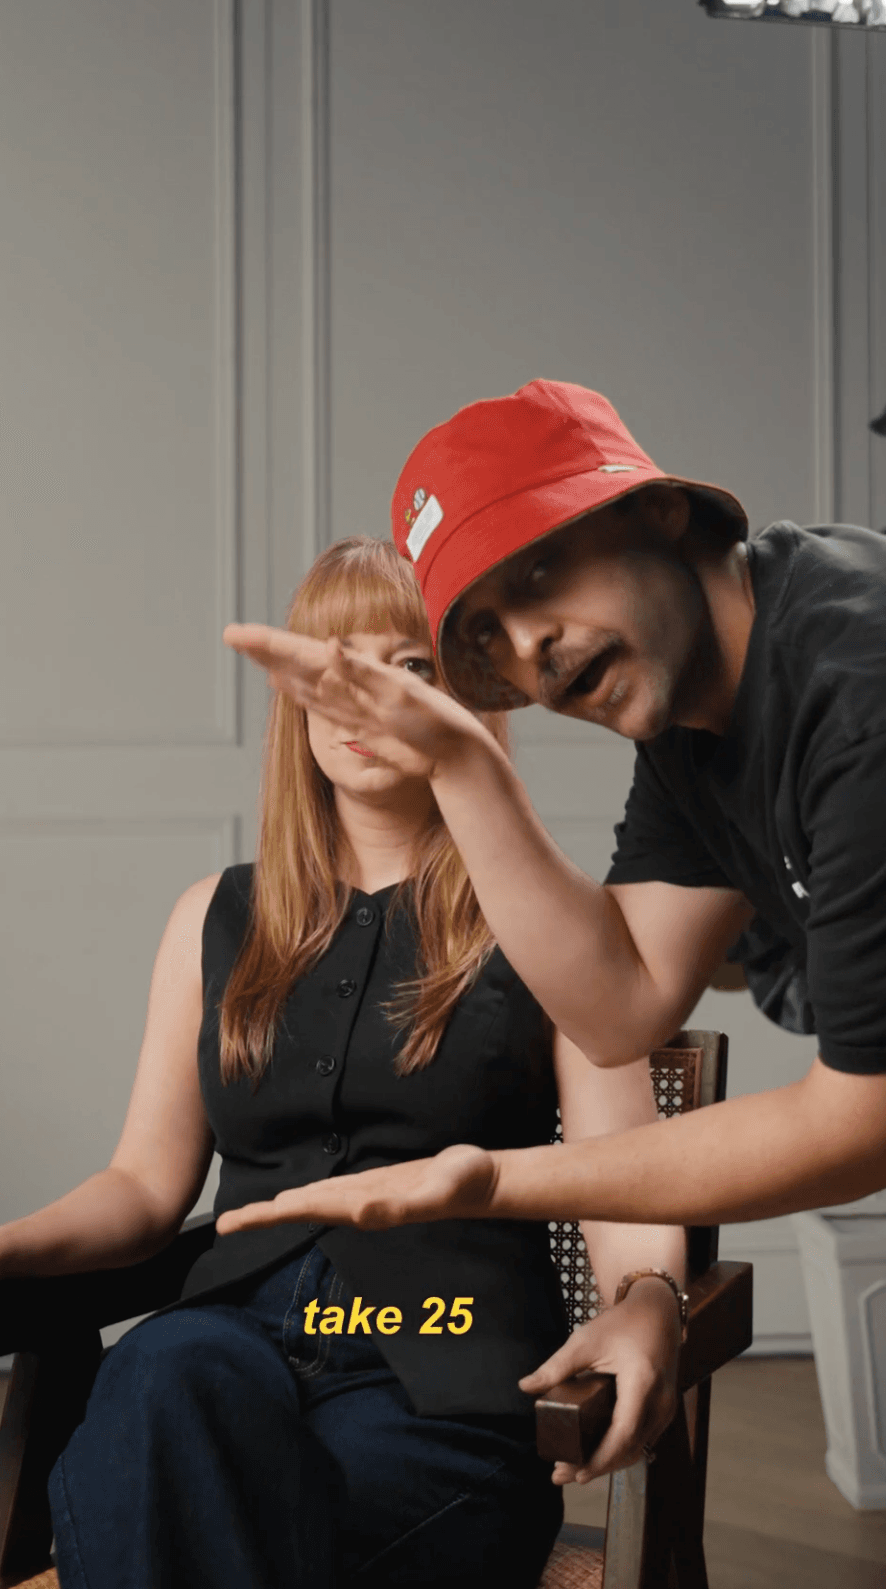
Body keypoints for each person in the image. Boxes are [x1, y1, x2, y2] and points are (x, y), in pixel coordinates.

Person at [0, 535, 687, 1589]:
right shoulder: (211, 919)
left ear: (466, 699)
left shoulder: (551, 926)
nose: (361, 697)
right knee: (164, 1380)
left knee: (171, 1533)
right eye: (333, 664)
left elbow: (626, 1177)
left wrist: (651, 1300)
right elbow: (144, 1187)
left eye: (407, 666)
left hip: (443, 1377)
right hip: (231, 1340)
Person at [217, 380, 886, 1255]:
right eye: (486, 635)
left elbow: (861, 1125)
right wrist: (461, 765)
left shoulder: (857, 698)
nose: (527, 645)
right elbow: (622, 1010)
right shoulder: (693, 710)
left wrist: (498, 1181)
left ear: (660, 511)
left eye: (539, 570)